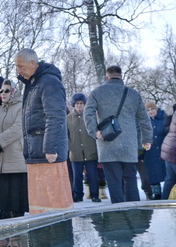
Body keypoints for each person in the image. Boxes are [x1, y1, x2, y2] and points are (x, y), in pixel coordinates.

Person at [84, 65, 152, 204]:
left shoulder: (97, 92)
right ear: (121, 76)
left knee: (114, 181)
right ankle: (134, 213)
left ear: (107, 77)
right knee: (130, 179)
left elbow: (88, 113)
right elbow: (144, 120)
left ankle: (118, 216)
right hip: (129, 145)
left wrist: (95, 132)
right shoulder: (133, 94)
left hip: (107, 143)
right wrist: (147, 139)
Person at [14, 48, 70, 211]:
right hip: (36, 151)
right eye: (17, 67)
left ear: (33, 63)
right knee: (40, 204)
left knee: (54, 203)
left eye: (21, 66)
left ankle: (57, 236)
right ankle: (43, 237)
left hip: (48, 154)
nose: (19, 71)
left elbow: (56, 116)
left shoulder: (49, 82)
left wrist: (50, 148)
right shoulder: (33, 84)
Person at [0, 79, 28, 219]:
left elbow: (19, 128)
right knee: (2, 191)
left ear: (14, 92)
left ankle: (16, 220)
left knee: (15, 192)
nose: (3, 93)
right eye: (1, 91)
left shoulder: (22, 107)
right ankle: (4, 214)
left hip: (15, 156)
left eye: (7, 90)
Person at [67, 93, 100, 203]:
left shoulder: (92, 117)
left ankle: (95, 195)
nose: (79, 106)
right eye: (77, 103)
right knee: (77, 177)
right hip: (75, 152)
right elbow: (66, 135)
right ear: (74, 105)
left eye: (81, 103)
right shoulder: (68, 119)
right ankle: (78, 195)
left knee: (93, 176)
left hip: (91, 151)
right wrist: (69, 146)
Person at [143, 101, 167, 200]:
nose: (150, 112)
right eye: (148, 110)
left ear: (156, 109)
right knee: (153, 173)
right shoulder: (144, 121)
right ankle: (156, 193)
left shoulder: (164, 119)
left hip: (163, 150)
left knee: (167, 172)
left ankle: (168, 191)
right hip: (150, 152)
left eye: (152, 109)